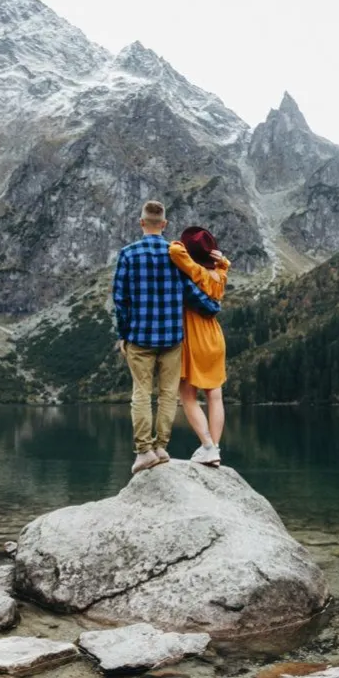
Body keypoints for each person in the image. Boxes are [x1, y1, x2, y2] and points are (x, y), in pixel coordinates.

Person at [113, 201, 222, 474]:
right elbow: (190, 291)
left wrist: (123, 335)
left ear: (141, 223)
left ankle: (144, 451)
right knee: (167, 395)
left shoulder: (128, 254)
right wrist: (212, 308)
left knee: (141, 393)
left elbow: (121, 300)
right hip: (173, 338)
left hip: (139, 336)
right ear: (164, 224)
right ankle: (161, 448)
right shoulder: (175, 255)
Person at [169, 227, 229, 467]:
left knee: (187, 396)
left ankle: (207, 446)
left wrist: (182, 245)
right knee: (215, 395)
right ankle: (215, 449)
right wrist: (222, 260)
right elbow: (225, 266)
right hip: (214, 336)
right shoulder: (219, 276)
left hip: (193, 338)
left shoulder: (193, 271)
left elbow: (174, 250)